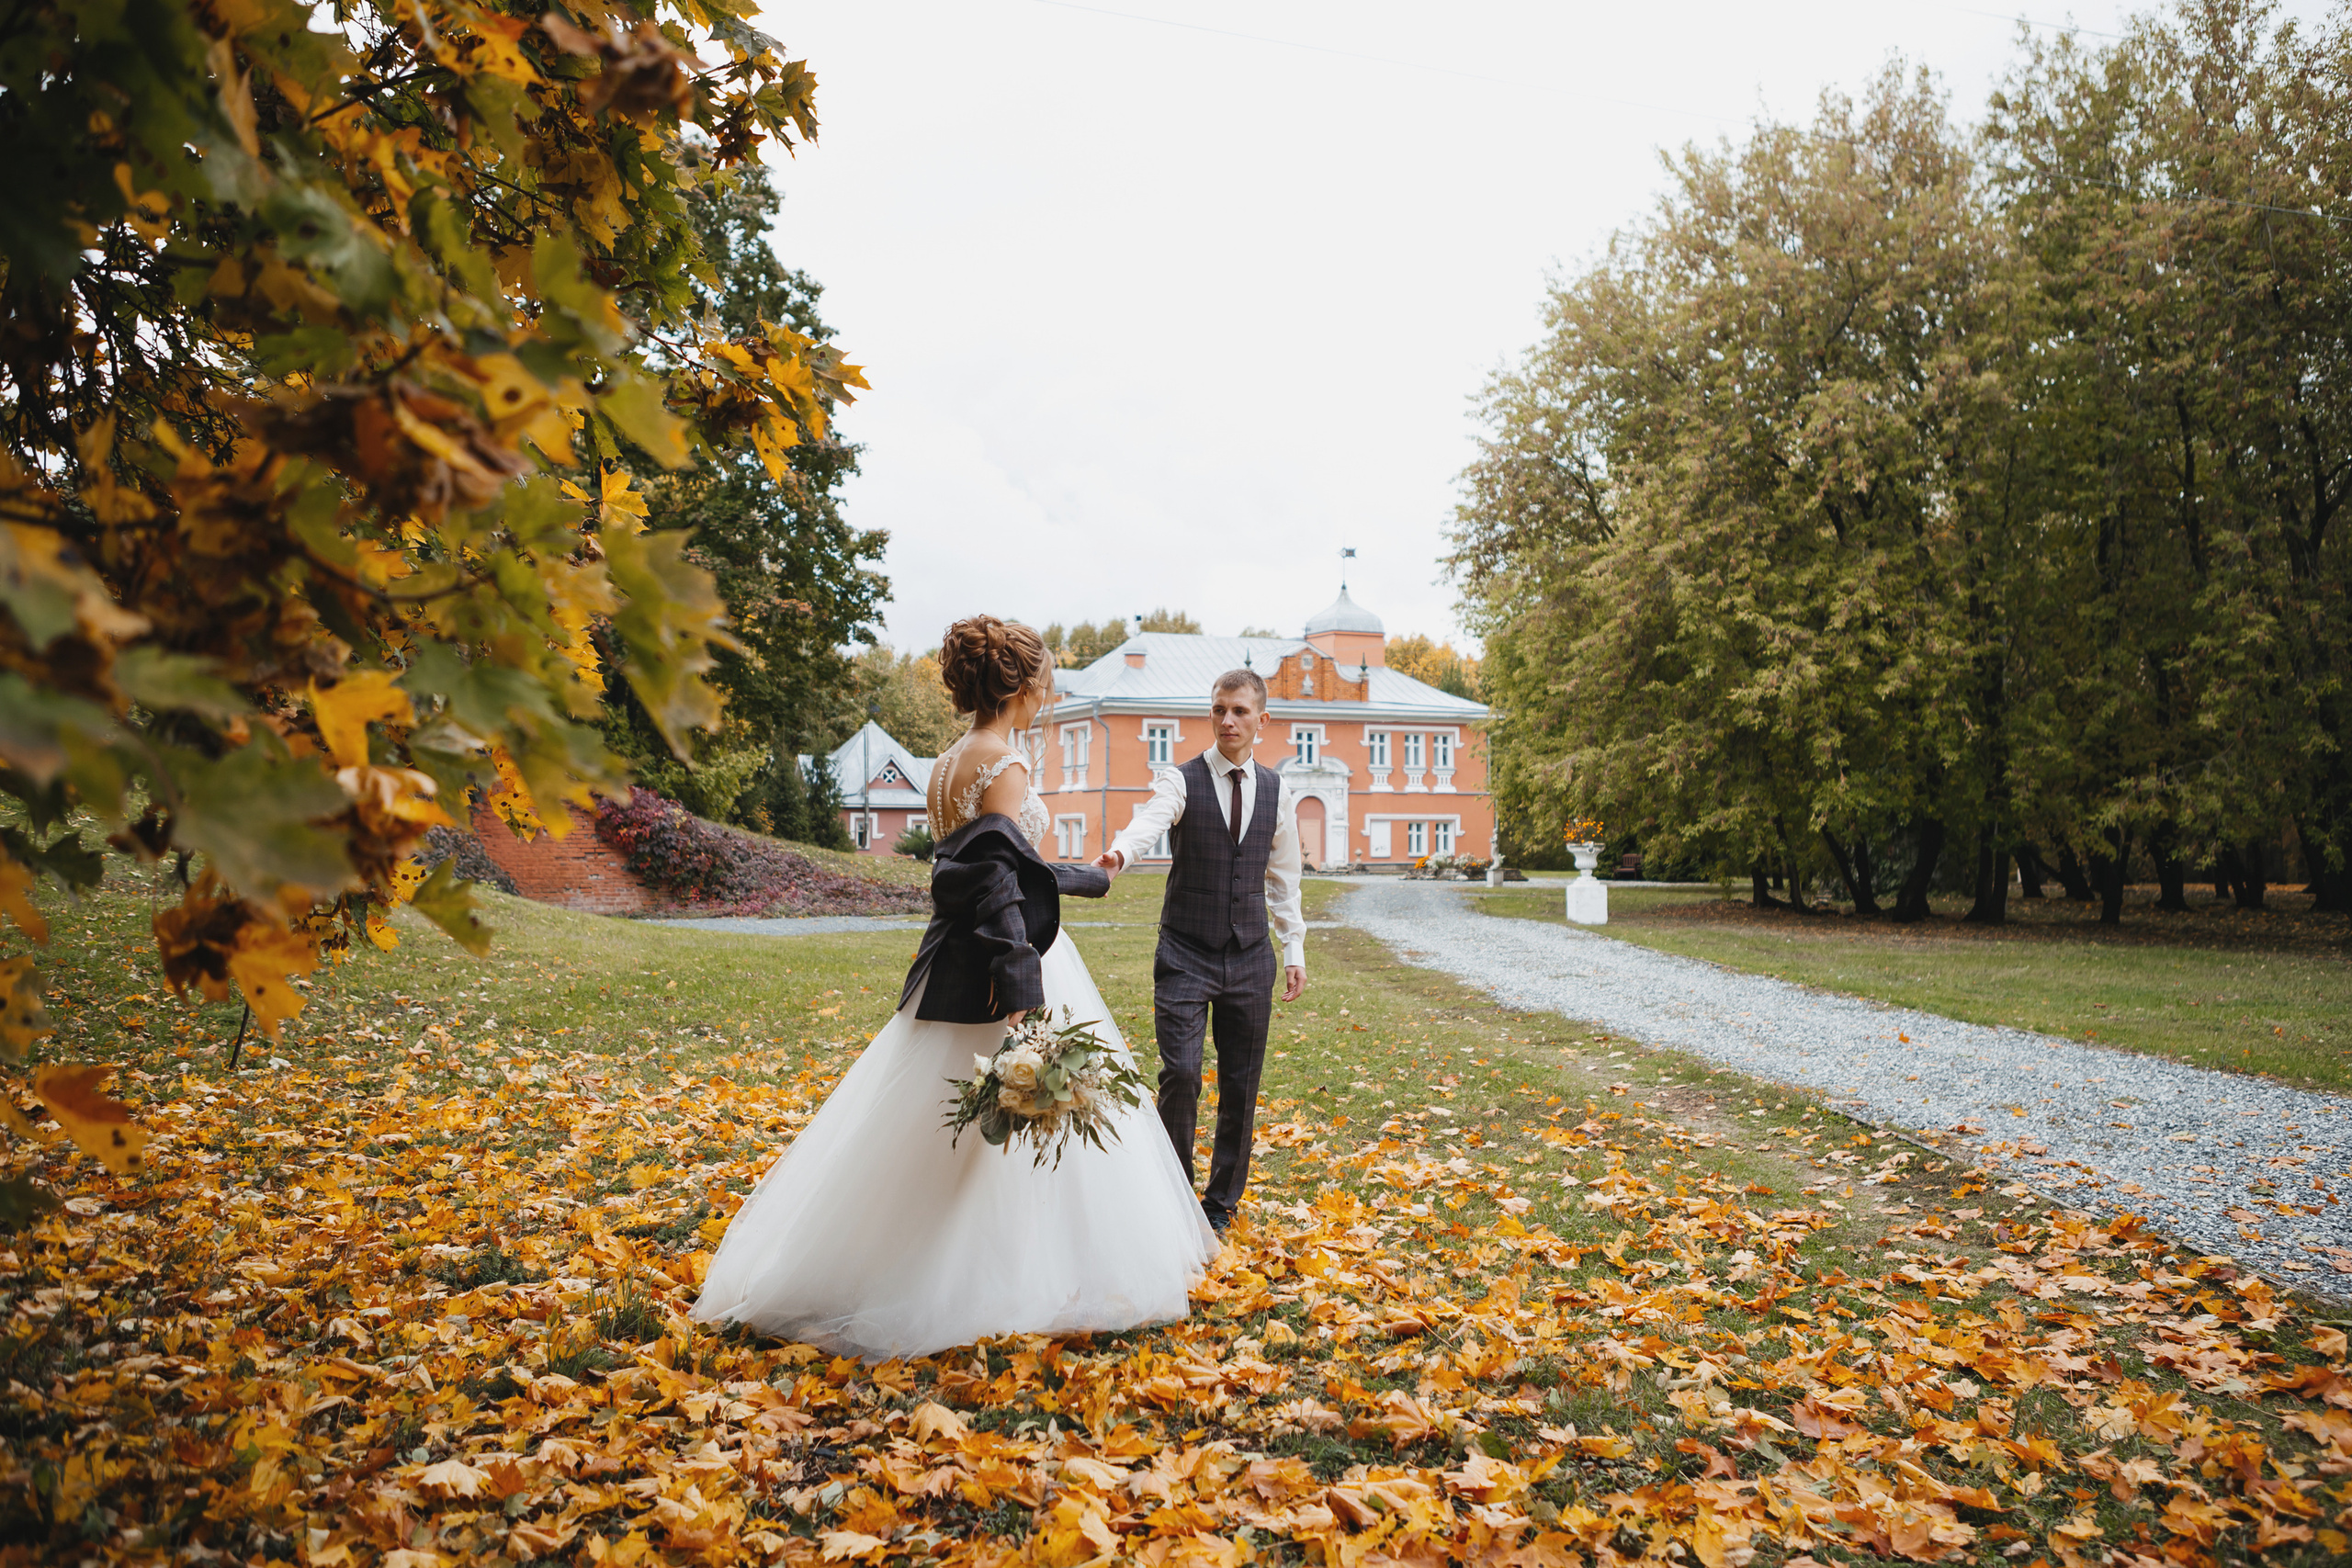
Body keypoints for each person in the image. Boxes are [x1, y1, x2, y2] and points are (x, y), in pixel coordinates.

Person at [690, 616, 1217, 1360]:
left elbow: (981, 865)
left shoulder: (945, 762)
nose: (1050, 694)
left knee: (940, 1126)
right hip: (1005, 958)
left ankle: (910, 1257)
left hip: (949, 959)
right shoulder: (1003, 763)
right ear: (1025, 686)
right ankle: (1002, 1278)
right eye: (1046, 682)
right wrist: (1026, 996)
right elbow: (999, 883)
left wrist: (1087, 877)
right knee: (1011, 1121)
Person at [1093, 668, 1306, 1234]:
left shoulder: (1279, 791)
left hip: (1250, 956)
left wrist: (1295, 948)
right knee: (1182, 1074)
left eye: (1239, 711)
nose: (1228, 720)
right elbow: (1149, 822)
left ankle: (1220, 1205)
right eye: (1219, 710)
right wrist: (1119, 856)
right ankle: (1174, 1195)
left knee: (1241, 1082)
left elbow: (1283, 877)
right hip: (1186, 952)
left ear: (1263, 720)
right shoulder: (1180, 779)